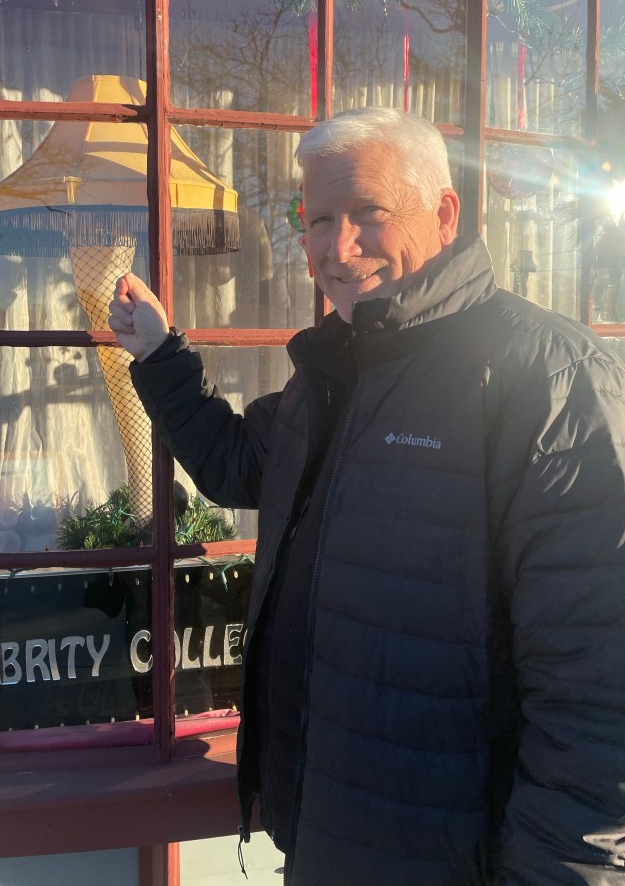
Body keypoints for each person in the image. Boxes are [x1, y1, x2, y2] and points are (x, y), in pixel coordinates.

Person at [108, 107, 625, 886]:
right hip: (322, 838)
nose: (339, 248)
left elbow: (597, 697)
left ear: (444, 213)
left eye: (368, 214)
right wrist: (158, 354)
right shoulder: (340, 368)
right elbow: (236, 464)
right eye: (319, 220)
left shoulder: (547, 378)